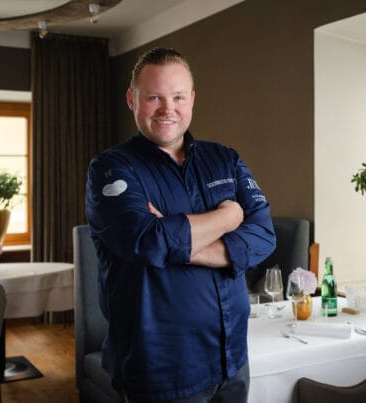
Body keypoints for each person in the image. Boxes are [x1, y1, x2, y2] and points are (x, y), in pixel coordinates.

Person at [86, 47, 276, 403]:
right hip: (162, 371)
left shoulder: (225, 159)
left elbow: (264, 235)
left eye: (177, 97)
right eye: (154, 98)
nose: (167, 109)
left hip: (232, 358)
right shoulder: (110, 169)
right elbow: (147, 241)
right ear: (132, 99)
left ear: (192, 99)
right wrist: (229, 217)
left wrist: (182, 244)